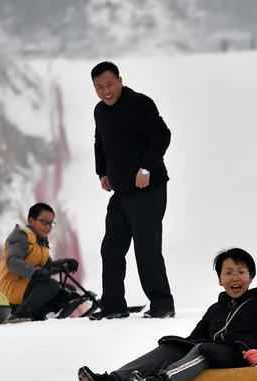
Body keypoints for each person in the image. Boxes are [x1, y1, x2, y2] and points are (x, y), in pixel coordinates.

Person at [78, 248, 257, 381]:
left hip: (240, 356)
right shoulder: (217, 308)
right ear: (220, 280)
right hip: (214, 353)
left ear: (250, 276)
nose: (235, 277)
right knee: (172, 347)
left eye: (241, 272)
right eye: (229, 272)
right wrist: (173, 350)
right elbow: (195, 337)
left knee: (204, 349)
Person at [90, 61, 175, 320]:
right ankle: (113, 307)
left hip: (149, 189)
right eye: (99, 87)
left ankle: (162, 305)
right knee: (111, 248)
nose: (106, 91)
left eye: (110, 84)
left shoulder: (141, 103)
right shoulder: (100, 111)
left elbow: (162, 136)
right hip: (122, 192)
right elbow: (100, 142)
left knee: (146, 248)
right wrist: (102, 172)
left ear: (120, 80)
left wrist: (146, 169)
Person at [0, 202, 81, 321]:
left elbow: (47, 267)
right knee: (50, 286)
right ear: (31, 220)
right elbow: (12, 262)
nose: (48, 227)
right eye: (44, 222)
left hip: (29, 286)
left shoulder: (41, 241)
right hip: (13, 288)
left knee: (68, 292)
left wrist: (64, 263)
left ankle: (41, 314)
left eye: (51, 223)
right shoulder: (21, 237)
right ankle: (20, 315)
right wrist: (35, 273)